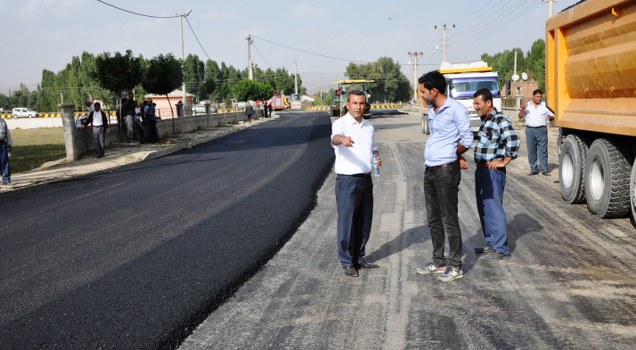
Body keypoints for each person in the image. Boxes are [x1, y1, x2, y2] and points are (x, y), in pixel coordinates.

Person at [415, 70, 473, 282]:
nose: (421, 95)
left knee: (449, 219)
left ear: (434, 90)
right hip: (430, 170)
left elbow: (467, 138)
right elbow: (438, 137)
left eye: (423, 91)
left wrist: (453, 155)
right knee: (433, 219)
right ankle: (438, 261)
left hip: (445, 171)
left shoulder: (455, 109)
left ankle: (455, 266)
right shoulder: (432, 111)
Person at [331, 90, 381, 277]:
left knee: (364, 221)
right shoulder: (341, 124)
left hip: (365, 180)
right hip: (347, 181)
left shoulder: (369, 127)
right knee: (347, 222)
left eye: (361, 103)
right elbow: (334, 138)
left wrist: (376, 169)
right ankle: (346, 261)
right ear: (347, 104)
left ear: (365, 105)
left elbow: (373, 149)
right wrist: (342, 140)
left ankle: (359, 257)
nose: (358, 107)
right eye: (354, 103)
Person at [472, 88, 520, 260]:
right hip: (482, 170)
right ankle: (491, 243)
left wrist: (504, 161)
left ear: (488, 103)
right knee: (484, 208)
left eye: (478, 103)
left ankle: (501, 247)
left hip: (492, 171)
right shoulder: (486, 121)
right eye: (474, 103)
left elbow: (513, 141)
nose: (475, 107)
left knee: (493, 208)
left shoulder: (499, 119)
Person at [518, 89, 555, 176]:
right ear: (533, 97)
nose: (539, 98)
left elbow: (553, 115)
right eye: (537, 97)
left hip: (542, 130)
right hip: (530, 130)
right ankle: (533, 169)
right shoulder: (527, 106)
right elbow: (520, 116)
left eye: (540, 97)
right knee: (531, 150)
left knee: (543, 150)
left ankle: (544, 169)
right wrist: (523, 108)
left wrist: (550, 117)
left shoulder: (545, 106)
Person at [0, 117, 13, 185]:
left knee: (4, 161)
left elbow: (7, 133)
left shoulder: (2, 121)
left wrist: (9, 143)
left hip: (2, 143)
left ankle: (6, 179)